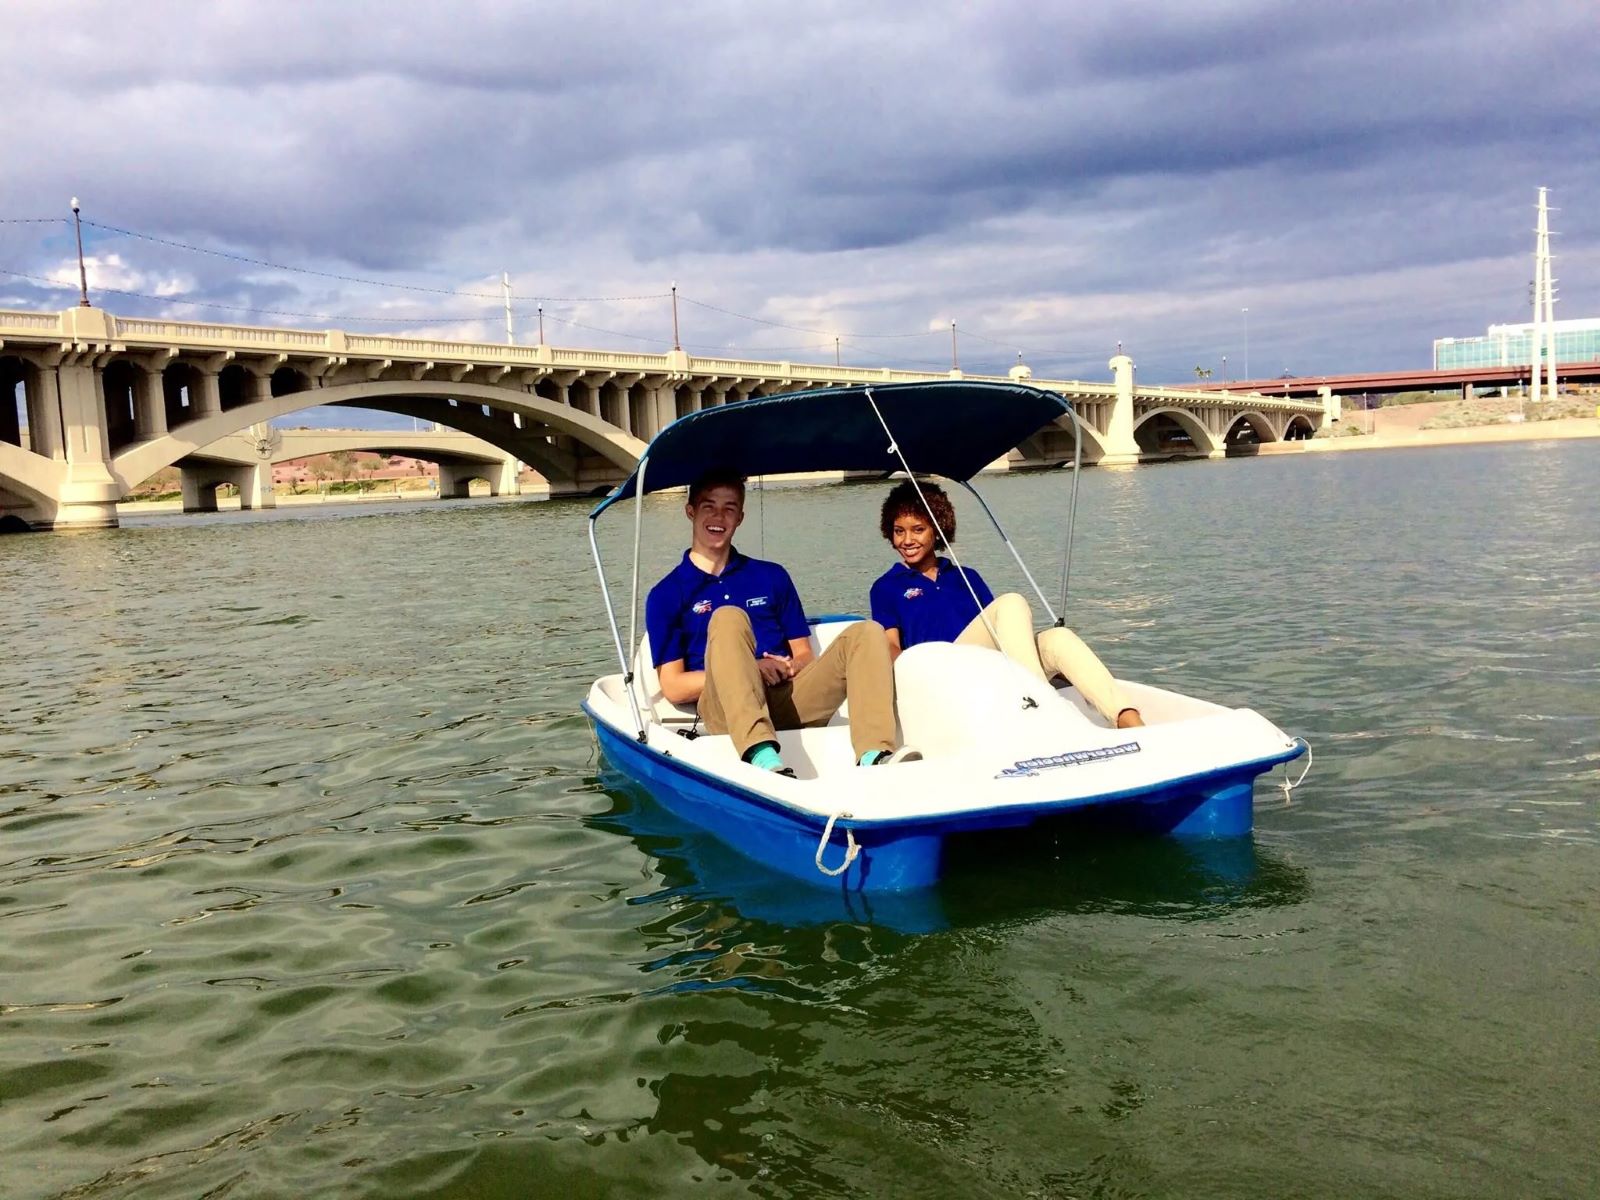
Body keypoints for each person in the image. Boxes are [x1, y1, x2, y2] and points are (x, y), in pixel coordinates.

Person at [646, 470, 917, 775]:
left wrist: (790, 667)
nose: (718, 516)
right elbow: (673, 686)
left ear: (741, 517)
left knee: (867, 632)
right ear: (691, 511)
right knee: (728, 617)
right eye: (709, 506)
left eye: (729, 508)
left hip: (787, 697)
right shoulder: (666, 594)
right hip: (724, 710)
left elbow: (803, 653)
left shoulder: (771, 576)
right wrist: (749, 671)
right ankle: (759, 754)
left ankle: (873, 754)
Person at [869, 480, 1145, 729]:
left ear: (937, 531)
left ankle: (1129, 720)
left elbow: (997, 631)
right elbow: (891, 645)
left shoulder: (965, 576)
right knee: (1011, 602)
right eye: (898, 531)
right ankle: (1041, 708)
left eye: (918, 530)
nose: (907, 540)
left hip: (984, 667)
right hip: (940, 671)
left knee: (1057, 639)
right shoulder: (887, 586)